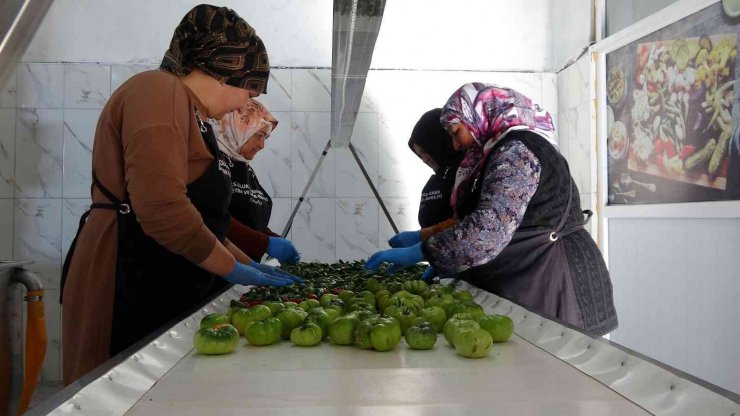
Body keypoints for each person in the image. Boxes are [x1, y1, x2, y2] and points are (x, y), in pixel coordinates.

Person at [60, 5, 301, 385]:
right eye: (249, 88)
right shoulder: (156, 90)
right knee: (121, 392)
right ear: (223, 70)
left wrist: (247, 264)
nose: (245, 103)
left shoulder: (195, 118)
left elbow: (202, 218)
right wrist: (231, 268)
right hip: (129, 276)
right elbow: (161, 209)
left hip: (164, 278)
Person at [367, 83, 618, 336]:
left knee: (560, 368)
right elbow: (486, 215)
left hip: (555, 281)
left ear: (478, 116)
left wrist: (425, 250)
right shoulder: (492, 153)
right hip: (532, 273)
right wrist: (435, 246)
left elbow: (488, 230)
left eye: (456, 132)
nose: (454, 145)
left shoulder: (517, 151)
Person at [211, 101, 301, 264]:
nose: (262, 145)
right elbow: (211, 217)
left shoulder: (243, 167)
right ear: (237, 128)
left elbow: (248, 217)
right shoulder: (212, 161)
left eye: (265, 138)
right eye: (259, 136)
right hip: (215, 266)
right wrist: (264, 242)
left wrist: (270, 237)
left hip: (240, 266)